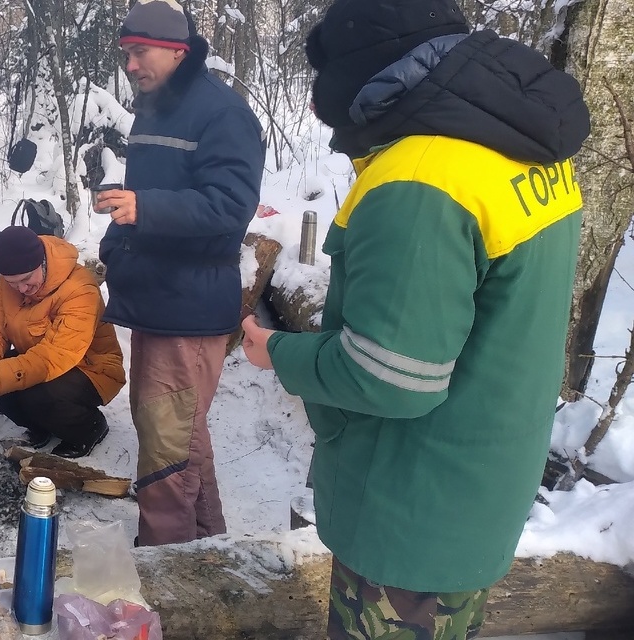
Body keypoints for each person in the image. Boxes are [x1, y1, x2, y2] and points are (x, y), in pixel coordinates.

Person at [238, 0, 590, 636]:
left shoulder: (420, 179)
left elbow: (392, 379)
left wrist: (278, 353)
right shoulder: (517, 142)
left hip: (410, 514)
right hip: (477, 490)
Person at [94, 0, 264, 544]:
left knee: (168, 442)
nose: (131, 65)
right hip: (157, 298)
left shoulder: (222, 113)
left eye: (139, 52)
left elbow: (230, 206)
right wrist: (117, 241)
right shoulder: (158, 110)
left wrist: (145, 209)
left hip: (190, 305)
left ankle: (164, 561)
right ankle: (208, 549)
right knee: (181, 436)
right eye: (126, 54)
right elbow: (143, 195)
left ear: (177, 50)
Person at [0, 227, 125, 458]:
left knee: (33, 393)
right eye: (13, 283)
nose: (21, 289)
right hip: (39, 361)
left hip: (90, 368)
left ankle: (88, 428)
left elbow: (54, 355)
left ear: (42, 263)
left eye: (26, 279)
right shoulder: (5, 284)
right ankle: (43, 426)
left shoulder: (79, 289)